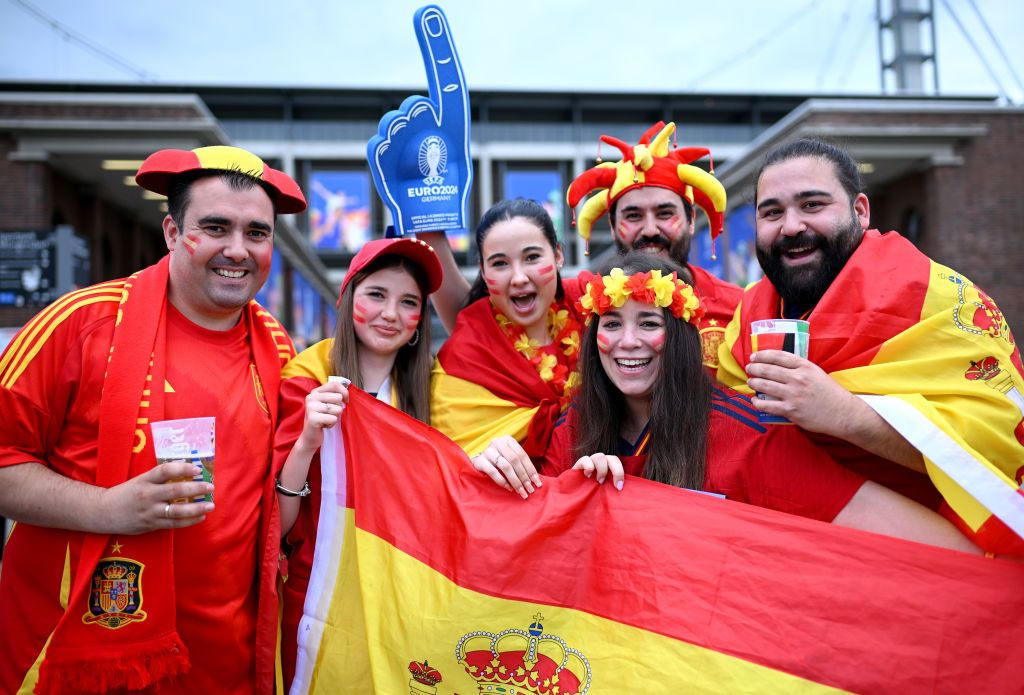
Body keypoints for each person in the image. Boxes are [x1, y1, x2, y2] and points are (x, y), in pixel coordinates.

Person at [0, 145, 305, 694]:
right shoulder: (81, 324)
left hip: (228, 665)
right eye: (215, 227)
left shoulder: (277, 346)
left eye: (257, 234)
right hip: (83, 658)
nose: (237, 250)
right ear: (171, 232)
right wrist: (107, 507)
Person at [477, 253, 979, 554]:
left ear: (680, 338)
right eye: (612, 324)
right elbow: (520, 539)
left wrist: (994, 584)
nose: (627, 341)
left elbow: (929, 541)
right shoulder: (575, 426)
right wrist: (495, 471)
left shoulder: (747, 435)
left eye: (649, 323)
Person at [716, 137, 1024, 554]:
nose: (790, 226)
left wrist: (845, 414)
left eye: (812, 205)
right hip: (783, 564)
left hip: (931, 569)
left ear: (860, 211)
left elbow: (995, 447)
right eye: (772, 212)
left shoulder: (936, 298)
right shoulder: (746, 315)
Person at [272, 237, 442, 687]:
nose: (390, 314)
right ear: (347, 300)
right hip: (319, 597)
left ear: (420, 320)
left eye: (408, 302)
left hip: (406, 602)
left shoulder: (440, 393)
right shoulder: (303, 381)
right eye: (376, 295)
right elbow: (281, 526)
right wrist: (308, 439)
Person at [430, 199, 587, 493]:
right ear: (484, 272)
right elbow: (446, 467)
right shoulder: (465, 353)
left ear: (558, 256)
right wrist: (481, 459)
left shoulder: (595, 312)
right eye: (500, 263)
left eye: (532, 257)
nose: (518, 277)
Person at [566, 121, 743, 369]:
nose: (650, 230)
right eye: (634, 216)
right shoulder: (582, 299)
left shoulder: (737, 307)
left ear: (691, 220)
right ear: (612, 223)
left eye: (664, 213)